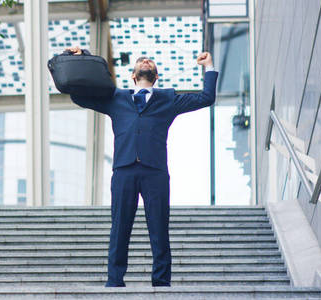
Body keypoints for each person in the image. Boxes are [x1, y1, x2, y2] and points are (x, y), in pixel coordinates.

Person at [64, 46, 218, 287]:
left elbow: (206, 98)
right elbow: (79, 97)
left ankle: (161, 281)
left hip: (155, 172)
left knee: (159, 226)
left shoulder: (168, 99)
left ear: (155, 76)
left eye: (150, 62)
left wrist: (209, 66)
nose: (145, 61)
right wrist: (80, 57)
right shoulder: (115, 98)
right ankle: (114, 281)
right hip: (124, 170)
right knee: (119, 228)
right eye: (141, 61)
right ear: (133, 76)